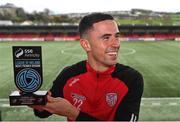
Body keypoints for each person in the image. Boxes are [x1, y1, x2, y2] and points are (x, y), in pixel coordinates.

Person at [32, 13, 144, 121]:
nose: (116, 44)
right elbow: (43, 112)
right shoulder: (68, 75)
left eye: (117, 36)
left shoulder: (131, 79)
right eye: (106, 38)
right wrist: (35, 101)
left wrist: (73, 113)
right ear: (86, 45)